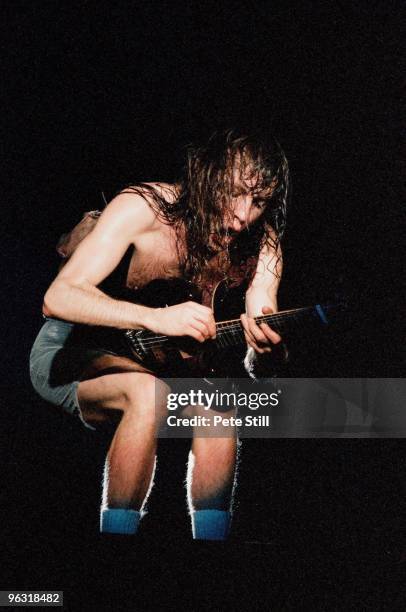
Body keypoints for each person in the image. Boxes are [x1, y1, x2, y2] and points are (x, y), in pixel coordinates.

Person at [29, 128, 290, 540]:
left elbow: (260, 357)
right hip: (72, 351)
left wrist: (265, 349)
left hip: (161, 365)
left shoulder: (263, 245)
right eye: (236, 192)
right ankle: (115, 550)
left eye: (258, 202)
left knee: (219, 410)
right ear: (208, 173)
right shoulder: (145, 208)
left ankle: (212, 556)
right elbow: (57, 298)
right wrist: (155, 318)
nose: (244, 215)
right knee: (148, 396)